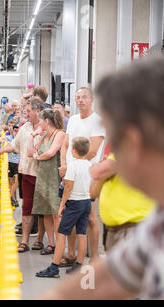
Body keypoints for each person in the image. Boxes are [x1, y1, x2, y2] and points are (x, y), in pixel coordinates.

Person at [40, 56, 164, 300]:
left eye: (113, 136)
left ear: (132, 141)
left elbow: (97, 170)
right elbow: (110, 276)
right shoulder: (156, 227)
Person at [59, 87, 106, 266]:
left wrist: (73, 170)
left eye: (84, 97)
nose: (80, 100)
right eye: (77, 97)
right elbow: (65, 144)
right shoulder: (72, 120)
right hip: (70, 176)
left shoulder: (98, 122)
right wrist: (64, 165)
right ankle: (71, 254)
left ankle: (94, 257)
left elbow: (92, 151)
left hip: (88, 178)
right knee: (69, 215)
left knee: (91, 218)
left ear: (91, 99)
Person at [0, 97, 45, 252]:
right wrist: (0, 151)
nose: (25, 113)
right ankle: (24, 241)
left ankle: (40, 239)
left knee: (43, 211)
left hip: (42, 175)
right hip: (26, 172)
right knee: (27, 207)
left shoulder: (46, 127)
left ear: (37, 111)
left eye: (28, 111)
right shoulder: (24, 128)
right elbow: (15, 145)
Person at [36, 137, 92, 278]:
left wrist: (61, 205)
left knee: (61, 233)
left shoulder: (72, 165)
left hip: (74, 203)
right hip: (86, 202)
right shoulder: (90, 165)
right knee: (82, 233)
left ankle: (54, 267)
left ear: (73, 150)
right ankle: (79, 265)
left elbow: (68, 186)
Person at [90, 153, 154, 251]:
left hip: (133, 228)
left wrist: (98, 167)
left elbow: (96, 172)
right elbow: (92, 192)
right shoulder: (116, 156)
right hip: (114, 230)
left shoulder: (132, 154)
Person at [28, 109, 66, 255]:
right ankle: (51, 244)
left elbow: (50, 153)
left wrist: (38, 157)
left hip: (54, 179)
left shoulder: (60, 134)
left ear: (47, 122)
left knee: (56, 214)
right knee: (46, 214)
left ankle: (60, 245)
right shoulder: (44, 135)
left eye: (41, 121)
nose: (39, 124)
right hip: (43, 178)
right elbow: (30, 152)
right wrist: (33, 136)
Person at [5, 120, 20, 208]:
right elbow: (2, 140)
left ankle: (10, 196)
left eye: (17, 131)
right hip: (10, 162)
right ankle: (14, 199)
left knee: (17, 181)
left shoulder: (20, 140)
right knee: (11, 181)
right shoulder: (9, 138)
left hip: (18, 163)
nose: (15, 132)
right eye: (14, 130)